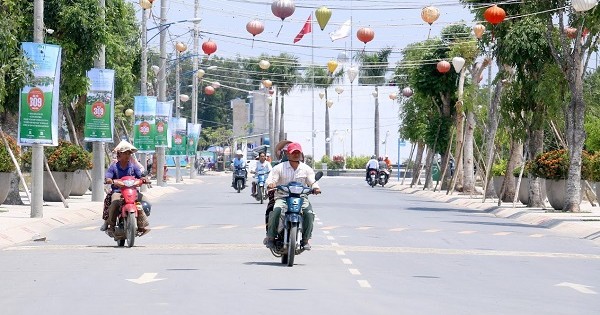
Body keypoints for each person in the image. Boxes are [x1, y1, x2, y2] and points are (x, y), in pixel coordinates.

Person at [264, 142, 321, 250]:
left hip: (301, 198)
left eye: (298, 152)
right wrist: (271, 184)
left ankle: (305, 240)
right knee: (276, 210)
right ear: (288, 154)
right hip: (282, 197)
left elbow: (312, 181)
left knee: (309, 213)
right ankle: (271, 237)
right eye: (293, 152)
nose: (296, 154)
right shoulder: (279, 168)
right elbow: (272, 179)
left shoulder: (306, 169)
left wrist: (316, 188)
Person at [102, 140, 151, 236]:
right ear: (120, 154)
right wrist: (109, 179)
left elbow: (140, 175)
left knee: (146, 202)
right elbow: (108, 175)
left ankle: (141, 225)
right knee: (115, 203)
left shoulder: (133, 166)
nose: (128, 155)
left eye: (129, 153)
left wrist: (144, 179)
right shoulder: (114, 167)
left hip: (132, 191)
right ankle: (111, 225)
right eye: (125, 153)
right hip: (118, 191)